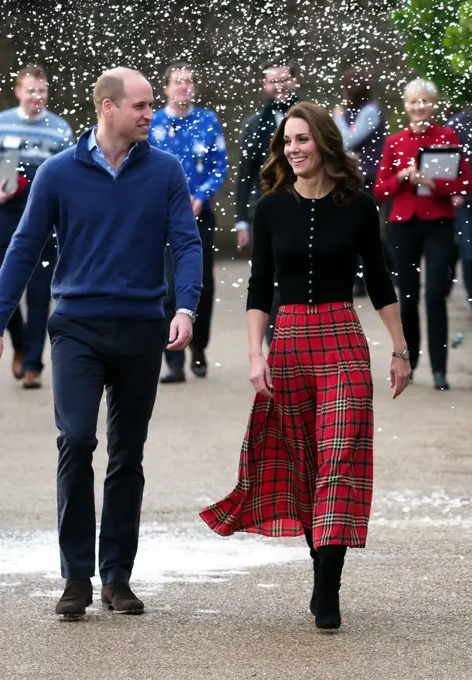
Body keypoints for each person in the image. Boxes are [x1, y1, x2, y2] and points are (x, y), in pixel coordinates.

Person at [0, 68, 203, 621]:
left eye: (152, 105)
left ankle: (117, 576)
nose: (151, 114)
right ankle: (76, 575)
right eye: (141, 106)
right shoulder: (58, 173)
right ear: (107, 107)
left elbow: (187, 243)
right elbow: (23, 248)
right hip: (76, 324)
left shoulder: (166, 171)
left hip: (141, 328)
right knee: (76, 440)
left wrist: (185, 306)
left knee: (127, 454)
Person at [200, 102, 410, 632]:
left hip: (342, 338)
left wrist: (401, 349)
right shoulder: (270, 208)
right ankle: (320, 563)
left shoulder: (359, 206)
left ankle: (327, 586)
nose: (293, 149)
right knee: (305, 466)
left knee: (339, 459)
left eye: (302, 140)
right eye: (287, 141)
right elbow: (258, 288)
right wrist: (256, 355)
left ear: (323, 144)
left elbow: (381, 281)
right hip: (289, 340)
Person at [0, 64, 74, 389]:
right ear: (18, 91)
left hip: (45, 217)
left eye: (42, 91)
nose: (37, 96)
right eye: (31, 90)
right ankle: (18, 343)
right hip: (7, 213)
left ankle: (32, 364)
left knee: (41, 292)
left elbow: (70, 175)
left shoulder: (60, 129)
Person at [373, 78, 472, 390]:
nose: (419, 107)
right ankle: (410, 361)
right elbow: (380, 189)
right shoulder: (394, 142)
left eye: (425, 101)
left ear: (433, 104)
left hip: (439, 222)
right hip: (404, 223)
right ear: (406, 106)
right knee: (408, 296)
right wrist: (403, 176)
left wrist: (431, 182)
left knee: (435, 297)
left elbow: (464, 183)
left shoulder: (447, 136)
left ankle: (440, 369)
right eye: (414, 102)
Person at [149, 61, 228, 383]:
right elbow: (145, 168)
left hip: (199, 215)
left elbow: (219, 166)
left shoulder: (207, 121)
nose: (184, 87)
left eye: (189, 82)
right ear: (166, 88)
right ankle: (174, 359)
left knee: (201, 285)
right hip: (162, 218)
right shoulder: (152, 125)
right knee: (167, 286)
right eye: (178, 82)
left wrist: (202, 194)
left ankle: (198, 345)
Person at [235, 59, 300, 345]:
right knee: (268, 280)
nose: (279, 86)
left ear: (294, 81)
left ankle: (302, 340)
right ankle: (277, 345)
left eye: (284, 79)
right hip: (267, 212)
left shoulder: (312, 119)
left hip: (304, 206)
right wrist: (241, 221)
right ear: (264, 86)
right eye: (273, 81)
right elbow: (245, 176)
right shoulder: (253, 125)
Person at [333, 67, 389, 297]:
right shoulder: (354, 111)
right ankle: (357, 278)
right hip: (353, 176)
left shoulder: (369, 111)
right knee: (352, 229)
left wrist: (336, 117)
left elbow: (347, 140)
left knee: (366, 229)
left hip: (369, 177)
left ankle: (374, 275)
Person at [447, 106, 472, 313]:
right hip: (465, 199)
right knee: (468, 251)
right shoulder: (458, 124)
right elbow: (448, 160)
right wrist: (454, 189)